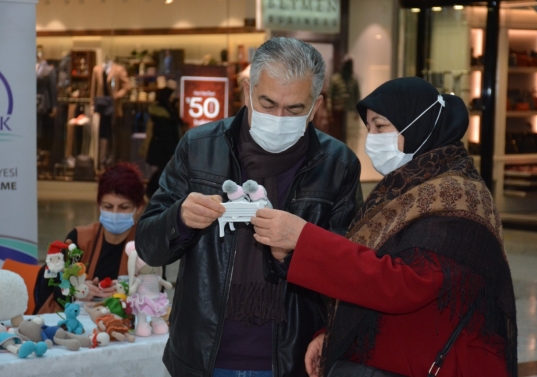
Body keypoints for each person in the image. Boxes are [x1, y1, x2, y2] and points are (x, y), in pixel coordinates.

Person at [251, 77, 517, 377]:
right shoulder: (407, 187)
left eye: (381, 126)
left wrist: (304, 240)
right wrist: (332, 331)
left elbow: (401, 284)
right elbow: (368, 264)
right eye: (369, 128)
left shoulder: (457, 195)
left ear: (417, 125)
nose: (372, 138)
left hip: (441, 364)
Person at [135, 37, 363, 377]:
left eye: (295, 109)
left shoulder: (337, 165)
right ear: (247, 91)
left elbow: (350, 270)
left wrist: (297, 250)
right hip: (203, 354)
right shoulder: (199, 148)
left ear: (316, 105)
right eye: (268, 104)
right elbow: (148, 247)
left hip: (292, 359)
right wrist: (179, 218)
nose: (279, 117)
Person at [35, 162, 146, 314]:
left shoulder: (146, 243)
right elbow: (53, 284)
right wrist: (76, 291)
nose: (115, 213)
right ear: (99, 205)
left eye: (124, 207)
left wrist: (128, 290)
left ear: (138, 208)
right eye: (108, 206)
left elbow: (157, 290)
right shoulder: (80, 239)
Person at [143, 85, 183, 198]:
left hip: (164, 149)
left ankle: (153, 192)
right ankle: (153, 192)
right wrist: (172, 150)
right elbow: (167, 135)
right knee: (163, 171)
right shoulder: (162, 114)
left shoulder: (167, 110)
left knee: (163, 171)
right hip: (163, 150)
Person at [327, 55, 360, 148]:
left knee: (349, 137)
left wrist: (357, 112)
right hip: (337, 112)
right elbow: (330, 96)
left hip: (350, 112)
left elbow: (357, 96)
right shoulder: (335, 79)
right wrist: (330, 111)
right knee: (337, 135)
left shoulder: (354, 80)